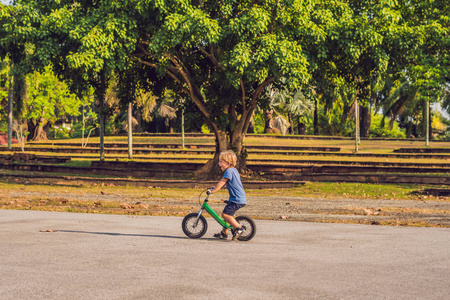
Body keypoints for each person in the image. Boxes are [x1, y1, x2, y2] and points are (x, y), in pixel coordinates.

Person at [208, 150, 246, 240]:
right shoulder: (234, 170)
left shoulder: (228, 171)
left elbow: (222, 183)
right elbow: (228, 183)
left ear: (228, 163)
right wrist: (215, 187)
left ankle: (239, 228)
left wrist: (212, 191)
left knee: (225, 215)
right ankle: (224, 233)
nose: (219, 163)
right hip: (238, 198)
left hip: (236, 199)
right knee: (228, 214)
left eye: (221, 161)